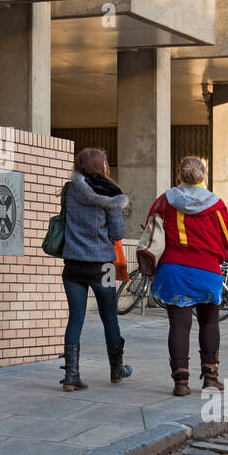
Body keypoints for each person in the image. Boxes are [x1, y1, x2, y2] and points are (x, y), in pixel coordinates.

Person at [145, 156, 228, 396]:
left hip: (174, 270)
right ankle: (210, 377)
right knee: (209, 322)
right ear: (203, 176)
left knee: (179, 325)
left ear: (179, 175)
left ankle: (181, 382)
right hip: (207, 271)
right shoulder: (216, 205)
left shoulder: (165, 201)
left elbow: (150, 230)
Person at [60, 148, 129, 391]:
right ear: (101, 166)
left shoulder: (70, 190)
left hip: (73, 265)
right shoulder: (110, 195)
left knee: (75, 318)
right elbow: (118, 233)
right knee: (109, 315)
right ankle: (116, 370)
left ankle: (71, 376)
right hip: (103, 266)